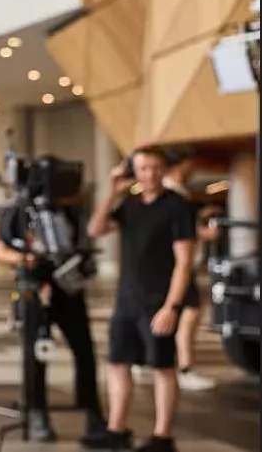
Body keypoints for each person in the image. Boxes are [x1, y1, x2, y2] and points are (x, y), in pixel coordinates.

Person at [88, 147, 197, 452]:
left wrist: (171, 307)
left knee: (162, 367)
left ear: (164, 170)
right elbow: (95, 230)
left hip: (158, 302)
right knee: (117, 364)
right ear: (133, 172)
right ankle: (116, 429)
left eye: (155, 168)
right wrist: (111, 191)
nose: (150, 174)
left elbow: (184, 263)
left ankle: (163, 437)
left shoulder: (178, 207)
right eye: (143, 168)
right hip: (127, 300)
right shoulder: (130, 205)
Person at [0, 200, 109, 445]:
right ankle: (37, 413)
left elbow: (85, 241)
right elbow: (0, 249)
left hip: (69, 288)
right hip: (34, 290)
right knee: (35, 356)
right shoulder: (19, 211)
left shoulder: (72, 211)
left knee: (84, 352)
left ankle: (92, 412)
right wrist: (22, 258)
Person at [157, 149, 217, 392]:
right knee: (189, 313)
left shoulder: (176, 193)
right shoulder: (173, 194)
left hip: (177, 264)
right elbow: (178, 229)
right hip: (179, 264)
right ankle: (184, 368)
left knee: (178, 314)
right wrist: (205, 232)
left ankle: (157, 361)